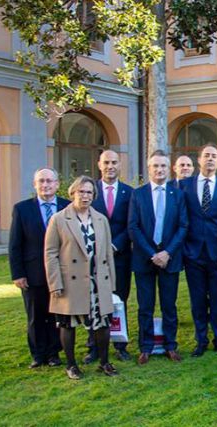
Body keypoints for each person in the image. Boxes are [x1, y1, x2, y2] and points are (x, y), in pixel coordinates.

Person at [45, 176, 117, 379]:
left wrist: (111, 283)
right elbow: (50, 253)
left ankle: (104, 362)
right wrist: (55, 283)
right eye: (81, 192)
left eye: (89, 193)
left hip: (97, 280)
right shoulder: (59, 219)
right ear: (72, 193)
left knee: (102, 323)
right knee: (68, 324)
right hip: (70, 281)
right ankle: (71, 365)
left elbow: (108, 254)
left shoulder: (101, 219)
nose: (85, 196)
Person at [128, 151, 188, 364]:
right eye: (155, 166)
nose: (159, 170)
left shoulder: (178, 194)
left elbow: (183, 226)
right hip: (145, 259)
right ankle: (145, 346)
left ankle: (171, 345)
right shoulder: (138, 194)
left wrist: (167, 252)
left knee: (169, 305)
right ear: (149, 168)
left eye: (163, 166)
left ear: (169, 167)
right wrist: (152, 254)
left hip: (169, 258)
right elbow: (133, 227)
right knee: (145, 305)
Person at [180, 144, 217, 357]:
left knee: (216, 300)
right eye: (207, 156)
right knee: (197, 300)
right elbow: (180, 217)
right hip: (192, 252)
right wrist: (184, 249)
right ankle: (201, 340)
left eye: (214, 156)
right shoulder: (184, 185)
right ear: (199, 160)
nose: (210, 159)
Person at [9, 168, 69, 369]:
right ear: (35, 185)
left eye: (49, 181)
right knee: (35, 315)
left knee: (56, 315)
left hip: (60, 272)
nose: (45, 185)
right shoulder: (22, 209)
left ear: (57, 184)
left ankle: (54, 353)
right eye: (41, 181)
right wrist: (18, 274)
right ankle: (38, 354)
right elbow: (15, 245)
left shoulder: (67, 207)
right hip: (32, 272)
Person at [87, 150, 133, 363]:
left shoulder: (129, 192)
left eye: (114, 162)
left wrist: (115, 245)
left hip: (121, 257)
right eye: (106, 162)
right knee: (94, 301)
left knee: (120, 300)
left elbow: (131, 224)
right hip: (93, 258)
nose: (110, 166)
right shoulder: (90, 191)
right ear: (99, 164)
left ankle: (120, 345)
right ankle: (94, 346)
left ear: (120, 165)